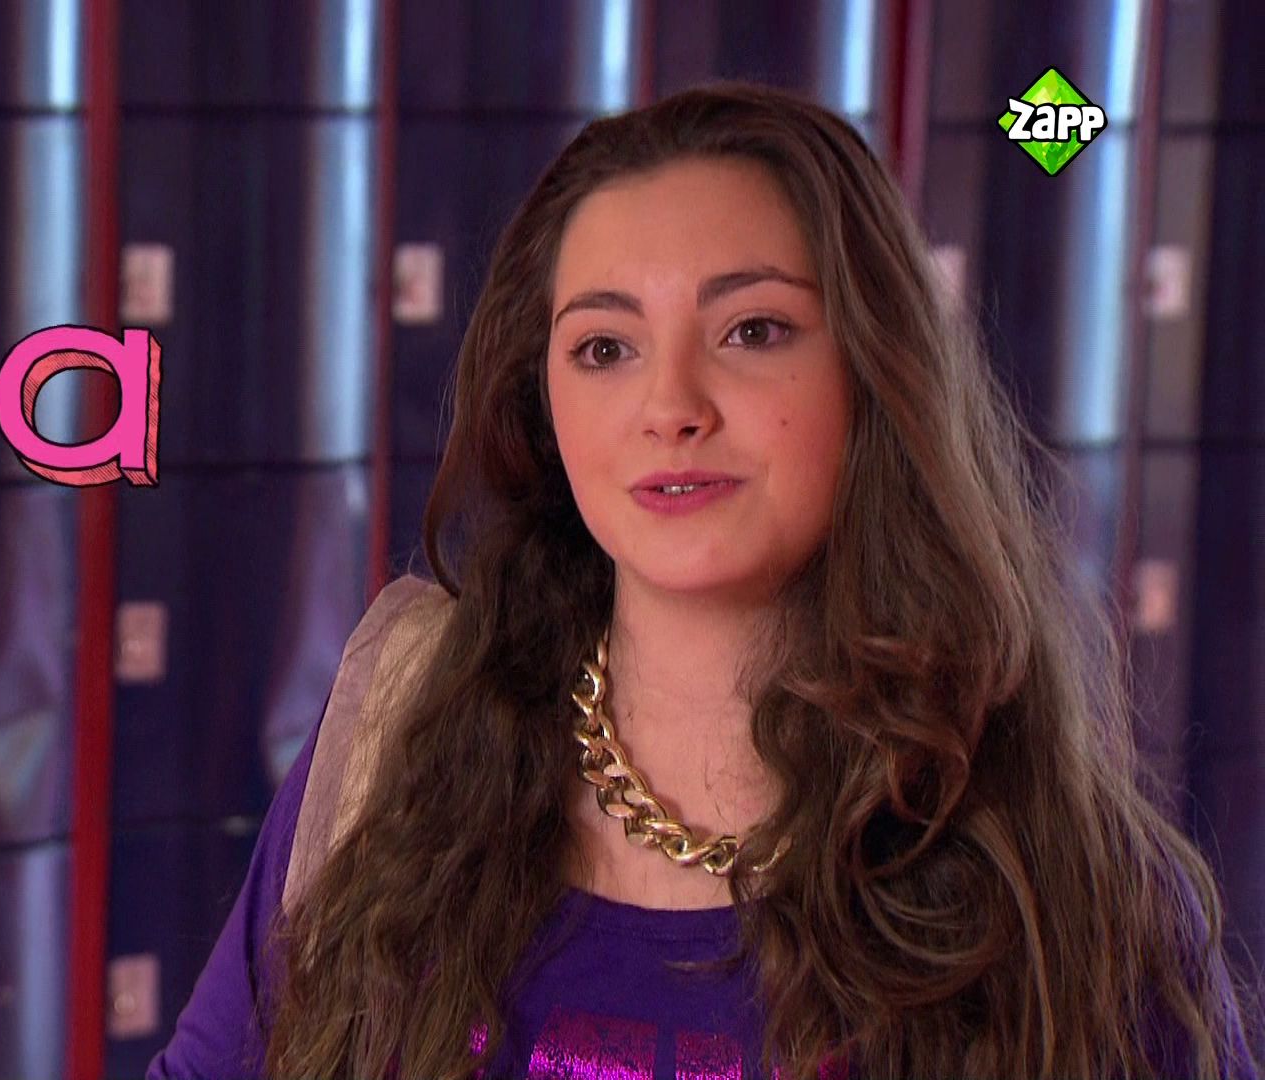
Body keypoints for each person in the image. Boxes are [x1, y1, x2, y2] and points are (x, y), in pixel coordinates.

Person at [145, 81, 1263, 1080]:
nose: (672, 405)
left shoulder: (1066, 887)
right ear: (544, 405)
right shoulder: (404, 741)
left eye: (752, 329)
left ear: (875, 375)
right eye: (605, 348)